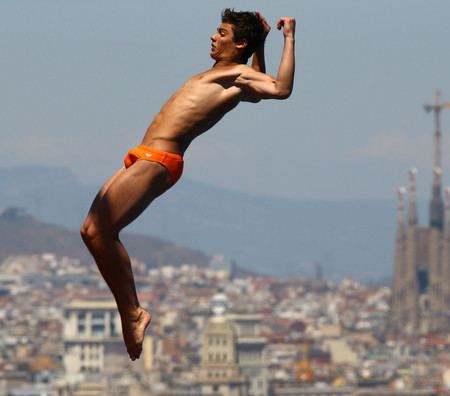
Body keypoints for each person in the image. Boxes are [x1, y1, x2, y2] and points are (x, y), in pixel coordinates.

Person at [80, 9, 296, 361]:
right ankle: (131, 311)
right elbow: (258, 81)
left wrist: (288, 38)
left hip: (158, 161)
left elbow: (279, 88)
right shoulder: (227, 75)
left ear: (238, 42)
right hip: (143, 155)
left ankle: (133, 313)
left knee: (101, 232)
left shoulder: (238, 75)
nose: (213, 36)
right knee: (91, 231)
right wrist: (263, 40)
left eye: (222, 32)